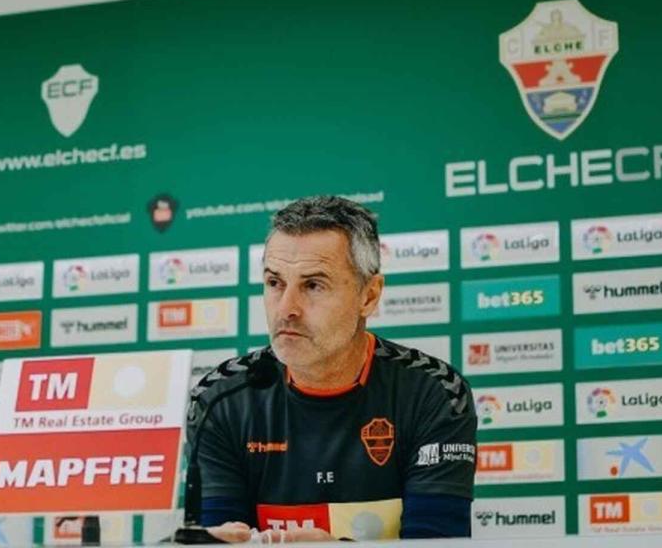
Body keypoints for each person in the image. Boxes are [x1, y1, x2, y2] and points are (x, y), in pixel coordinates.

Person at [188, 196, 477, 542]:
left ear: (368, 296)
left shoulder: (436, 392)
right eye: (274, 283)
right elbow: (223, 533)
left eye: (313, 285)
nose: (287, 309)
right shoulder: (220, 399)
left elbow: (436, 542)